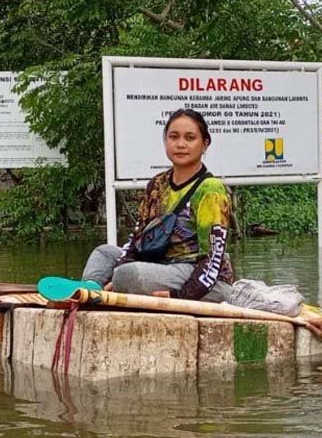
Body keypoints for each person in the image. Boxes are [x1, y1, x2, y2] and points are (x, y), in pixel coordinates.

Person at [82, 108, 234, 302]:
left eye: (190, 138)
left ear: (204, 145)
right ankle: (90, 291)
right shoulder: (157, 184)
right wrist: (117, 271)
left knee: (128, 275)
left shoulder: (210, 190)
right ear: (165, 141)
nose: (180, 144)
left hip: (200, 278)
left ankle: (109, 289)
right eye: (173, 137)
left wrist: (182, 296)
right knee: (104, 253)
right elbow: (137, 238)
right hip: (159, 265)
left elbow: (213, 258)